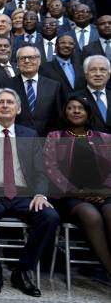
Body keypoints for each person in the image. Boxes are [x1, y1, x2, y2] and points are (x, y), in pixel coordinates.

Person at [0, 88, 59, 297]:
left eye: (9, 102)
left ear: (18, 109)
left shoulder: (29, 134)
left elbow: (41, 170)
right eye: (0, 102)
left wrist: (40, 194)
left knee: (50, 216)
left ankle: (22, 270)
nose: (4, 105)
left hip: (24, 195)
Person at [44, 95, 111, 278]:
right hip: (70, 197)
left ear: (88, 112)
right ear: (65, 113)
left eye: (80, 108)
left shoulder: (105, 138)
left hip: (104, 194)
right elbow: (51, 169)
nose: (76, 111)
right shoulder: (55, 137)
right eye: (71, 108)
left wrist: (104, 190)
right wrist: (78, 192)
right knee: (91, 215)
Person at [75, 55, 110, 132]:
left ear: (109, 74)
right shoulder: (74, 98)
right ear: (86, 74)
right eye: (93, 70)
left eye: (103, 70)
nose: (98, 74)